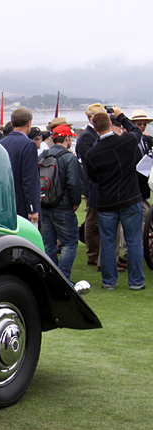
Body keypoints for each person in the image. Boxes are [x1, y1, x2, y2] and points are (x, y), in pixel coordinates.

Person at [82, 109, 145, 291]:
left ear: (94, 128)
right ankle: (136, 281)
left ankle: (109, 281)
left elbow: (93, 177)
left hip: (107, 201)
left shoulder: (92, 153)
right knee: (133, 241)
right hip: (130, 198)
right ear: (111, 124)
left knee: (108, 242)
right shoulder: (125, 141)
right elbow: (136, 131)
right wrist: (121, 115)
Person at [39, 125, 83, 281]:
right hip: (63, 206)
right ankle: (63, 278)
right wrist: (75, 201)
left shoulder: (43, 155)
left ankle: (52, 278)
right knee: (69, 243)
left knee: (48, 244)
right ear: (67, 138)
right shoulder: (69, 157)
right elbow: (74, 183)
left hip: (45, 203)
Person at [0, 107, 41, 225]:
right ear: (29, 123)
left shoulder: (1, 144)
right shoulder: (29, 145)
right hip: (23, 205)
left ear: (12, 123)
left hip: (6, 204)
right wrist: (33, 208)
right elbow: (29, 178)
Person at [76, 103, 104, 266]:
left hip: (97, 183)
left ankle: (99, 252)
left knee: (97, 220)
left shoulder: (91, 135)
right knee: (92, 220)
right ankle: (93, 253)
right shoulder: (87, 136)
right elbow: (91, 161)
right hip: (92, 184)